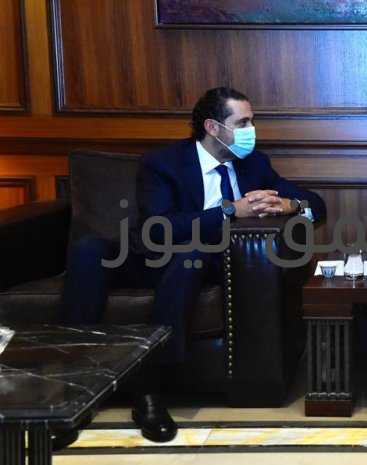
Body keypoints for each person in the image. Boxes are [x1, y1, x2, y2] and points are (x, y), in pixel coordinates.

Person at [60, 87, 326, 444]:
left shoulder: (253, 164)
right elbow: (161, 228)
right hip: (152, 255)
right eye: (242, 123)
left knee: (191, 256)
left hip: (210, 261)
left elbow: (317, 204)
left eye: (252, 121)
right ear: (213, 127)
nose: (251, 130)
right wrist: (230, 210)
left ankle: (150, 393)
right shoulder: (163, 163)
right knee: (88, 250)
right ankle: (72, 390)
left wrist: (292, 205)